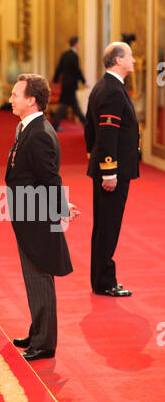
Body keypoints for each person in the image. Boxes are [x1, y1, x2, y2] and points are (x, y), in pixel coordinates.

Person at [6, 74, 80, 361]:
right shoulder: (30, 127)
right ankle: (38, 331)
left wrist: (61, 208)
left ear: (31, 100)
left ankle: (45, 343)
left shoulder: (38, 133)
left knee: (39, 275)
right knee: (32, 275)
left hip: (35, 214)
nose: (11, 99)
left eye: (15, 94)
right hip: (29, 211)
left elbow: (50, 178)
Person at [84, 42, 140, 297]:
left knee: (104, 225)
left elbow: (89, 130)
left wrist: (94, 159)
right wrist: (108, 171)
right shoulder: (113, 90)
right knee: (108, 226)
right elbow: (106, 132)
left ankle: (100, 278)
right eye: (130, 56)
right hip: (113, 171)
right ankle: (105, 281)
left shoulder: (103, 86)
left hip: (107, 167)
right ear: (118, 60)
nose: (134, 61)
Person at [52, 36, 87, 131]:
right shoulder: (75, 56)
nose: (79, 45)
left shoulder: (64, 54)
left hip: (65, 83)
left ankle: (55, 125)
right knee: (72, 106)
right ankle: (87, 125)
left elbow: (58, 68)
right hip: (71, 85)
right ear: (75, 44)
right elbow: (77, 71)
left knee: (66, 105)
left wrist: (55, 80)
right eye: (79, 43)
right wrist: (84, 81)